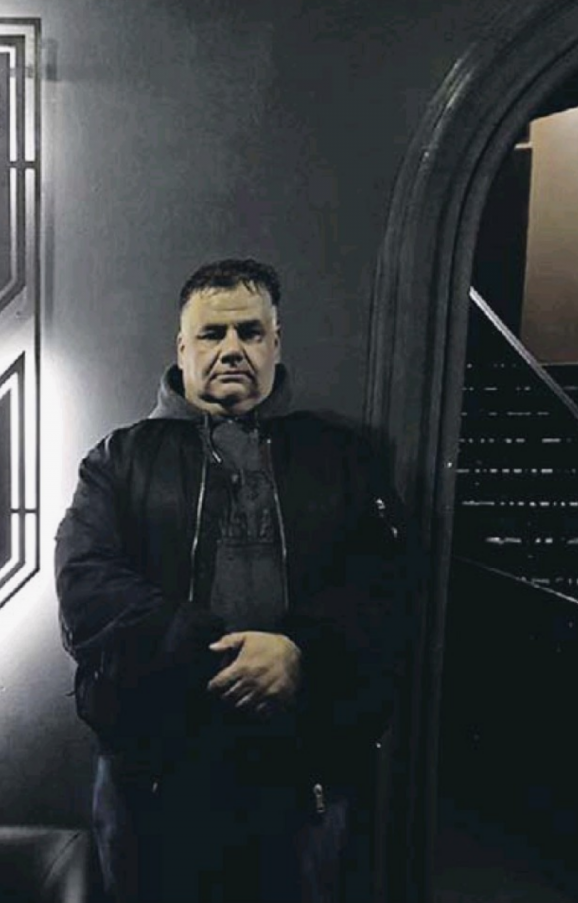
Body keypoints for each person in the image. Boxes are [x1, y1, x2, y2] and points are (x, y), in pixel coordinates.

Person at [55, 258, 409, 903]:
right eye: (212, 334)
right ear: (182, 348)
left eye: (250, 332)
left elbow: (384, 585)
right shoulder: (117, 460)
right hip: (154, 773)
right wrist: (209, 649)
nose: (232, 350)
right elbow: (85, 588)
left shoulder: (344, 457)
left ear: (276, 342)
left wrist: (300, 651)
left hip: (302, 768)